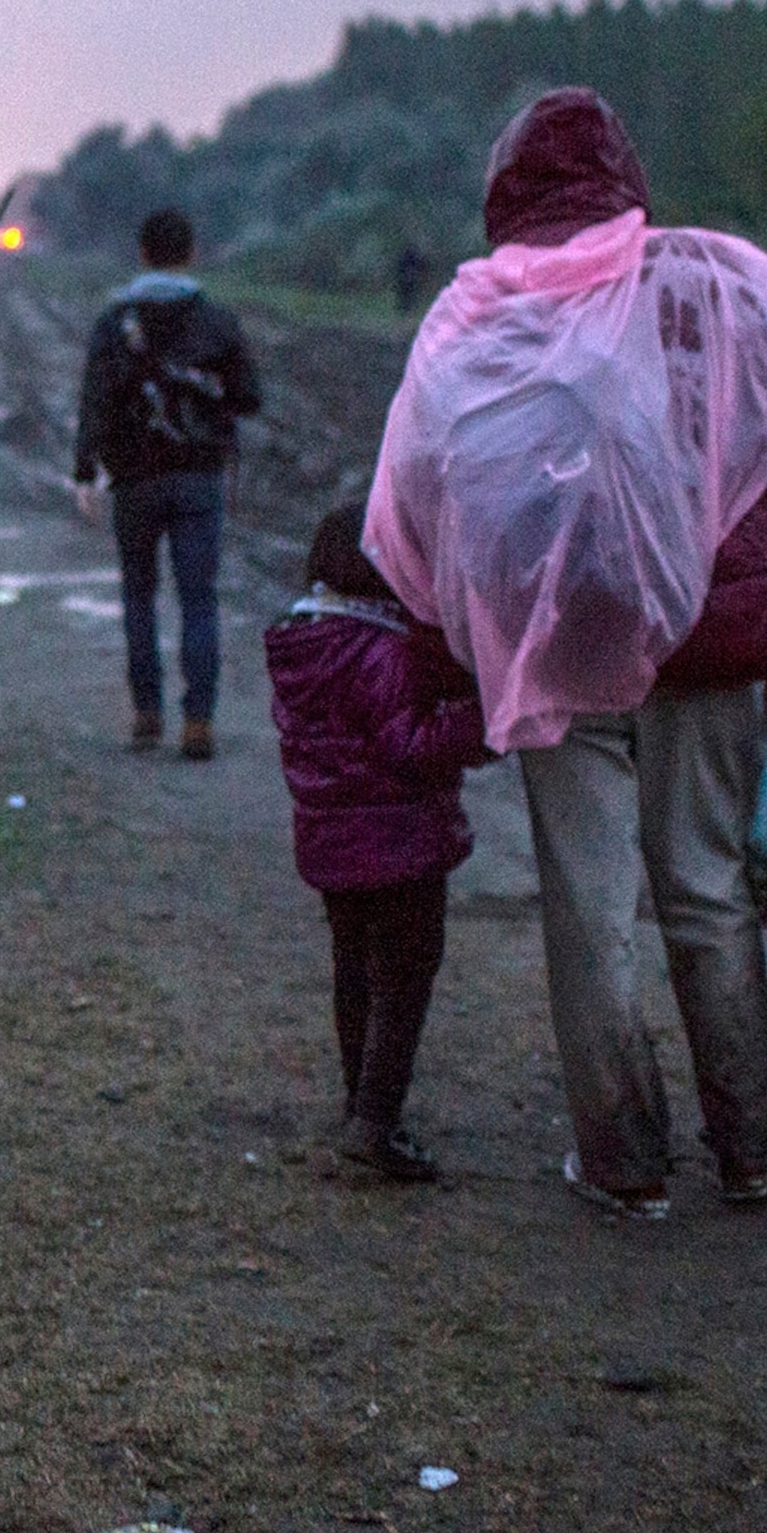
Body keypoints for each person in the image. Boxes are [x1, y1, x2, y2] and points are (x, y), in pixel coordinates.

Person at [363, 88, 767, 1222]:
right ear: (628, 178)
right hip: (711, 650)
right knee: (711, 891)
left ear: (504, 197)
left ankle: (624, 1155)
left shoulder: (477, 323)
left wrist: (448, 662)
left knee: (588, 908)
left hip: (558, 652)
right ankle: (752, 1142)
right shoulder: (711, 295)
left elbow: (431, 497)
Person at [266, 503, 494, 1183]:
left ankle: (356, 1102)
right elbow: (412, 746)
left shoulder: (300, 643)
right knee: (405, 979)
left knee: (354, 973)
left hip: (331, 843)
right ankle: (376, 1121)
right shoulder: (384, 650)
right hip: (402, 845)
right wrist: (482, 724)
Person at [74, 207, 262, 760]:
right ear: (191, 252)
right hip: (199, 477)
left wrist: (85, 469)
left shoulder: (113, 322)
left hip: (132, 480)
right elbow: (249, 397)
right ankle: (198, 722)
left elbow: (94, 400)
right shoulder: (217, 321)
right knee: (199, 599)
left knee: (138, 595)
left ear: (142, 252)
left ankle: (146, 715)